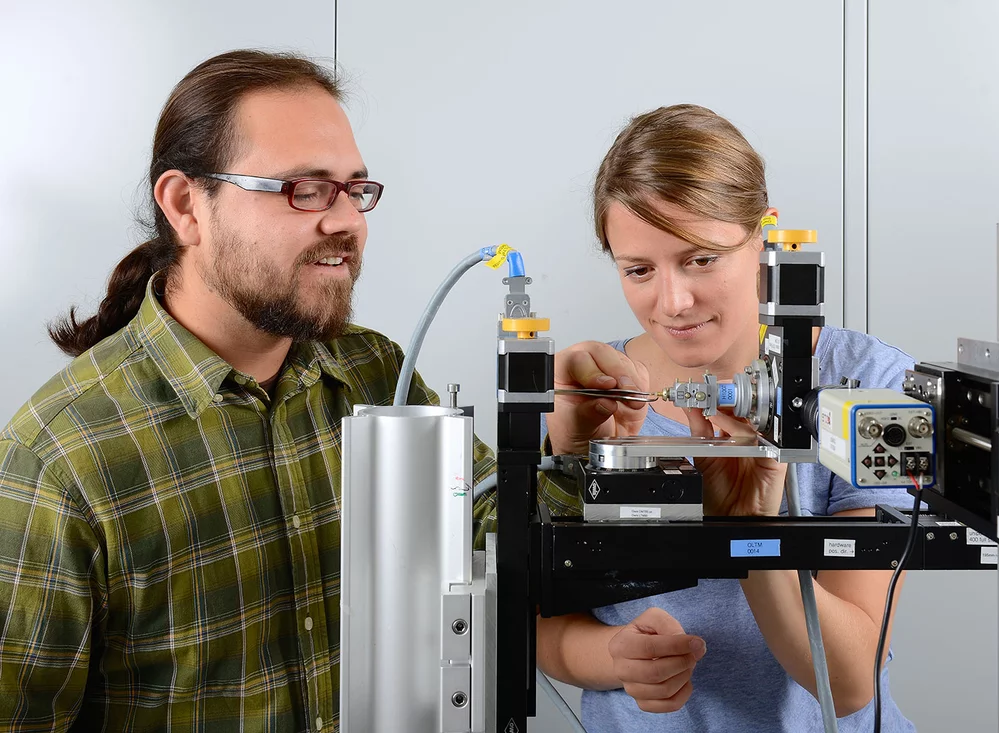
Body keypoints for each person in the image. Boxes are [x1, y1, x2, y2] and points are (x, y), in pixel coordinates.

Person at [0, 50, 497, 731]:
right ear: (185, 205)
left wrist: (576, 434)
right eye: (305, 189)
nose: (348, 222)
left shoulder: (377, 373)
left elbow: (497, 525)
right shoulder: (60, 459)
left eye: (355, 189)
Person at [536, 104, 918, 731]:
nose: (673, 302)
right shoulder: (590, 401)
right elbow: (542, 624)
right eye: (639, 270)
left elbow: (849, 681)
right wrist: (614, 657)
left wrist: (750, 533)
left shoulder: (866, 388)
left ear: (764, 232)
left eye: (701, 259)